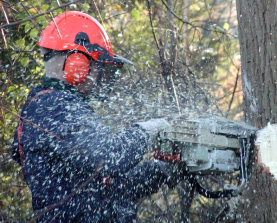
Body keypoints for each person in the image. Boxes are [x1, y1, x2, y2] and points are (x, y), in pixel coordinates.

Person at [12, 11, 185, 222]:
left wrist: (162, 170)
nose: (100, 77)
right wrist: (148, 129)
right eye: (97, 67)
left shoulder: (54, 107)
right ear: (77, 64)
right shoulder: (54, 108)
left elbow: (108, 185)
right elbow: (113, 155)